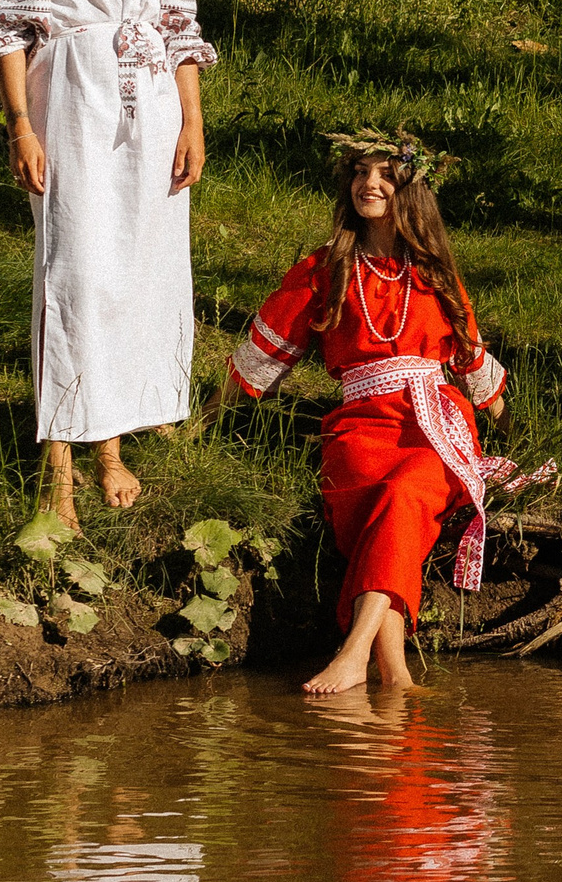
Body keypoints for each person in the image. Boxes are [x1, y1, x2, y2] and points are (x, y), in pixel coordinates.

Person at [221, 130, 541, 694]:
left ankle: (352, 653)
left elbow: (470, 359)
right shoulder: (325, 269)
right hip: (359, 428)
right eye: (360, 173)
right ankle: (393, 671)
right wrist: (201, 422)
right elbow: (262, 357)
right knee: (390, 512)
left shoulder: (435, 273)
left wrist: (507, 424)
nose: (370, 184)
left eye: (385, 176)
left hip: (436, 428)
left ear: (409, 191)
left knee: (404, 495)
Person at [0, 0, 214, 526]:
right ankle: (60, 470)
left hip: (148, 110)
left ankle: (110, 445)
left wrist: (192, 121)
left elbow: (180, 30)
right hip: (70, 96)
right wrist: (20, 123)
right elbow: (7, 28)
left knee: (134, 269)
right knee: (74, 269)